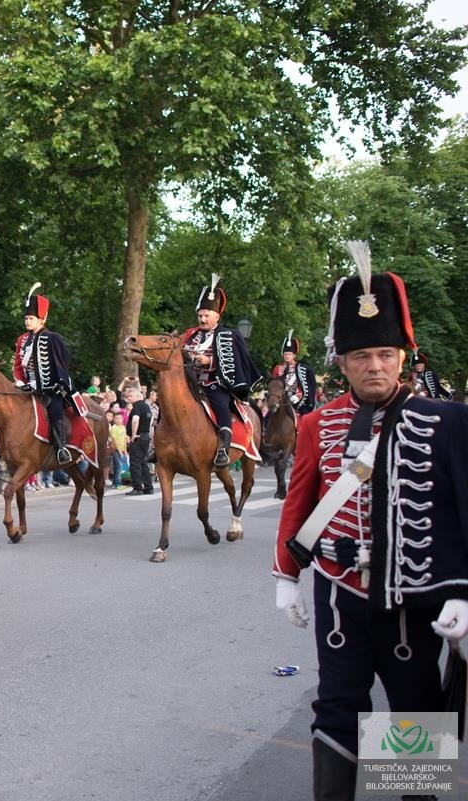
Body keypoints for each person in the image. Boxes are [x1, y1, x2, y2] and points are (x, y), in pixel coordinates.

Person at [272, 241, 468, 800]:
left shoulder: (448, 422)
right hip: (340, 592)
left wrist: (463, 589)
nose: (374, 366)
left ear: (404, 356)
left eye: (385, 353)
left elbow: (462, 510)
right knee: (337, 706)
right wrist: (287, 576)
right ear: (342, 362)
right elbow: (301, 503)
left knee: (414, 708)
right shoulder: (316, 424)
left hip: (413, 598)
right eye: (361, 357)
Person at [181, 275, 262, 466]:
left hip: (215, 383)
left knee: (220, 404)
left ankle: (223, 449)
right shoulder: (191, 334)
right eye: (200, 315)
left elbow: (234, 361)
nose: (202, 319)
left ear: (216, 316)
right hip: (191, 383)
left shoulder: (229, 335)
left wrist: (208, 360)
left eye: (206, 316)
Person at [12, 283, 86, 464]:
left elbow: (63, 361)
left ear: (42, 319)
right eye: (26, 318)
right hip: (27, 388)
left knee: (54, 412)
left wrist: (56, 382)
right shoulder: (22, 339)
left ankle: (61, 449)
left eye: (31, 318)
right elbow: (17, 364)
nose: (27, 321)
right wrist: (20, 381)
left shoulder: (52, 338)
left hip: (51, 388)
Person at [271, 330, 318, 415]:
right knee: (268, 418)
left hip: (297, 398)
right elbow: (274, 385)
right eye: (285, 354)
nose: (287, 356)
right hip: (280, 398)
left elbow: (305, 387)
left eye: (289, 354)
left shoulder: (301, 369)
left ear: (294, 355)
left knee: (305, 416)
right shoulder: (277, 368)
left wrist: (297, 396)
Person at [124, 386, 153, 495]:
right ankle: (148, 487)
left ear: (137, 396)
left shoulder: (137, 406)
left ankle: (137, 488)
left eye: (131, 395)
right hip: (145, 436)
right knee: (143, 462)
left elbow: (135, 420)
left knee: (135, 463)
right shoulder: (147, 407)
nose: (129, 397)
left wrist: (134, 434)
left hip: (138, 438)